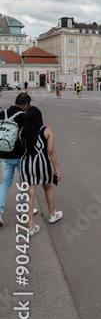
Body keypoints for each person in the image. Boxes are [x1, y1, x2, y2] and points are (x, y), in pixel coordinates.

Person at [20, 106, 61, 237]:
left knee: (29, 194)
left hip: (26, 165)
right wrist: (56, 168)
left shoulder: (22, 131)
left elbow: (23, 148)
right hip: (42, 164)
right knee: (48, 188)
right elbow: (50, 151)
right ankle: (52, 214)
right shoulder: (47, 131)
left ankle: (31, 226)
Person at [0, 93, 32, 228]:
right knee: (23, 182)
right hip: (19, 155)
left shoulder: (2, 113)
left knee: (5, 182)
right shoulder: (23, 117)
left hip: (3, 153)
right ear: (24, 104)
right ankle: (24, 209)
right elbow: (26, 136)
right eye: (27, 105)